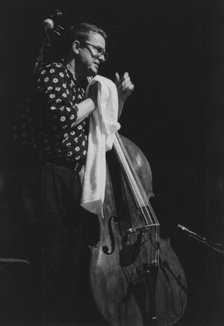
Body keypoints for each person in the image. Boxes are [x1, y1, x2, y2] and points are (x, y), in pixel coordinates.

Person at [12, 22, 134, 325]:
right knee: (48, 259)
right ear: (76, 46)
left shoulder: (83, 85)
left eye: (104, 53)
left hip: (70, 178)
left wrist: (119, 98)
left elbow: (103, 131)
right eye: (97, 50)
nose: (102, 58)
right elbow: (62, 117)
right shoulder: (52, 73)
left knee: (69, 263)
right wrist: (96, 99)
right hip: (46, 172)